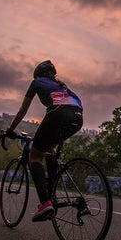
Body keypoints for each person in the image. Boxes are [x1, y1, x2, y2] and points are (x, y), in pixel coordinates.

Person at [6, 60, 83, 222]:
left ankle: (45, 203)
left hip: (58, 114)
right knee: (50, 150)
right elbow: (66, 112)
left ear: (38, 75)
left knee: (35, 156)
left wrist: (10, 130)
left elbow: (23, 110)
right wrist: (57, 141)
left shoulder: (36, 82)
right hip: (78, 116)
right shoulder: (63, 86)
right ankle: (52, 190)